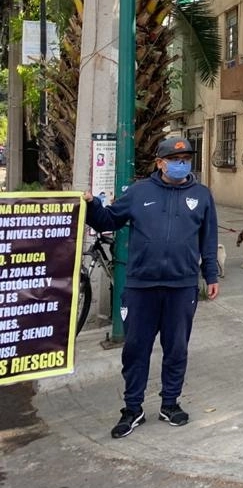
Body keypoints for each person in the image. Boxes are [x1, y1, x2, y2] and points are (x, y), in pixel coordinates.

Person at [83, 137, 219, 439]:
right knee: (135, 349)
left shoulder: (202, 195)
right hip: (141, 286)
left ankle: (170, 403)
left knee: (176, 348)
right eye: (175, 157)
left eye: (186, 157)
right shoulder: (138, 192)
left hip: (182, 286)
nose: (182, 162)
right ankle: (133, 408)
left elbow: (208, 240)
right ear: (160, 162)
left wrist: (211, 276)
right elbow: (109, 220)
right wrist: (92, 205)